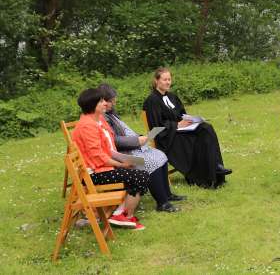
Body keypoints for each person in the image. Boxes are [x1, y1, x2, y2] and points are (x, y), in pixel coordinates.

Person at [98, 84, 185, 213]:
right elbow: (113, 140)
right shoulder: (102, 117)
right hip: (123, 153)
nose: (113, 103)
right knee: (150, 161)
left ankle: (167, 194)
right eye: (111, 101)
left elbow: (123, 132)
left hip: (132, 147)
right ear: (102, 100)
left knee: (160, 155)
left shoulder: (110, 114)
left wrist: (140, 138)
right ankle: (162, 202)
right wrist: (137, 141)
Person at [142, 68, 232, 189]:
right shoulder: (152, 100)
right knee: (198, 138)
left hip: (180, 131)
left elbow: (181, 114)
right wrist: (177, 125)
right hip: (167, 138)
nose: (168, 82)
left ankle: (216, 166)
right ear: (156, 81)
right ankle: (205, 175)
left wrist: (190, 120)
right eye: (164, 79)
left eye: (169, 79)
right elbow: (156, 127)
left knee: (206, 128)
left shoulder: (172, 97)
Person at [72, 88, 148, 230]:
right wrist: (121, 164)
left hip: (102, 167)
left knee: (139, 169)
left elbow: (107, 148)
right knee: (139, 176)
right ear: (93, 105)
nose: (105, 103)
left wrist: (124, 160)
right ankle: (125, 216)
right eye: (101, 101)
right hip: (94, 173)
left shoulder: (97, 120)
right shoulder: (87, 126)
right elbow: (98, 157)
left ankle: (121, 213)